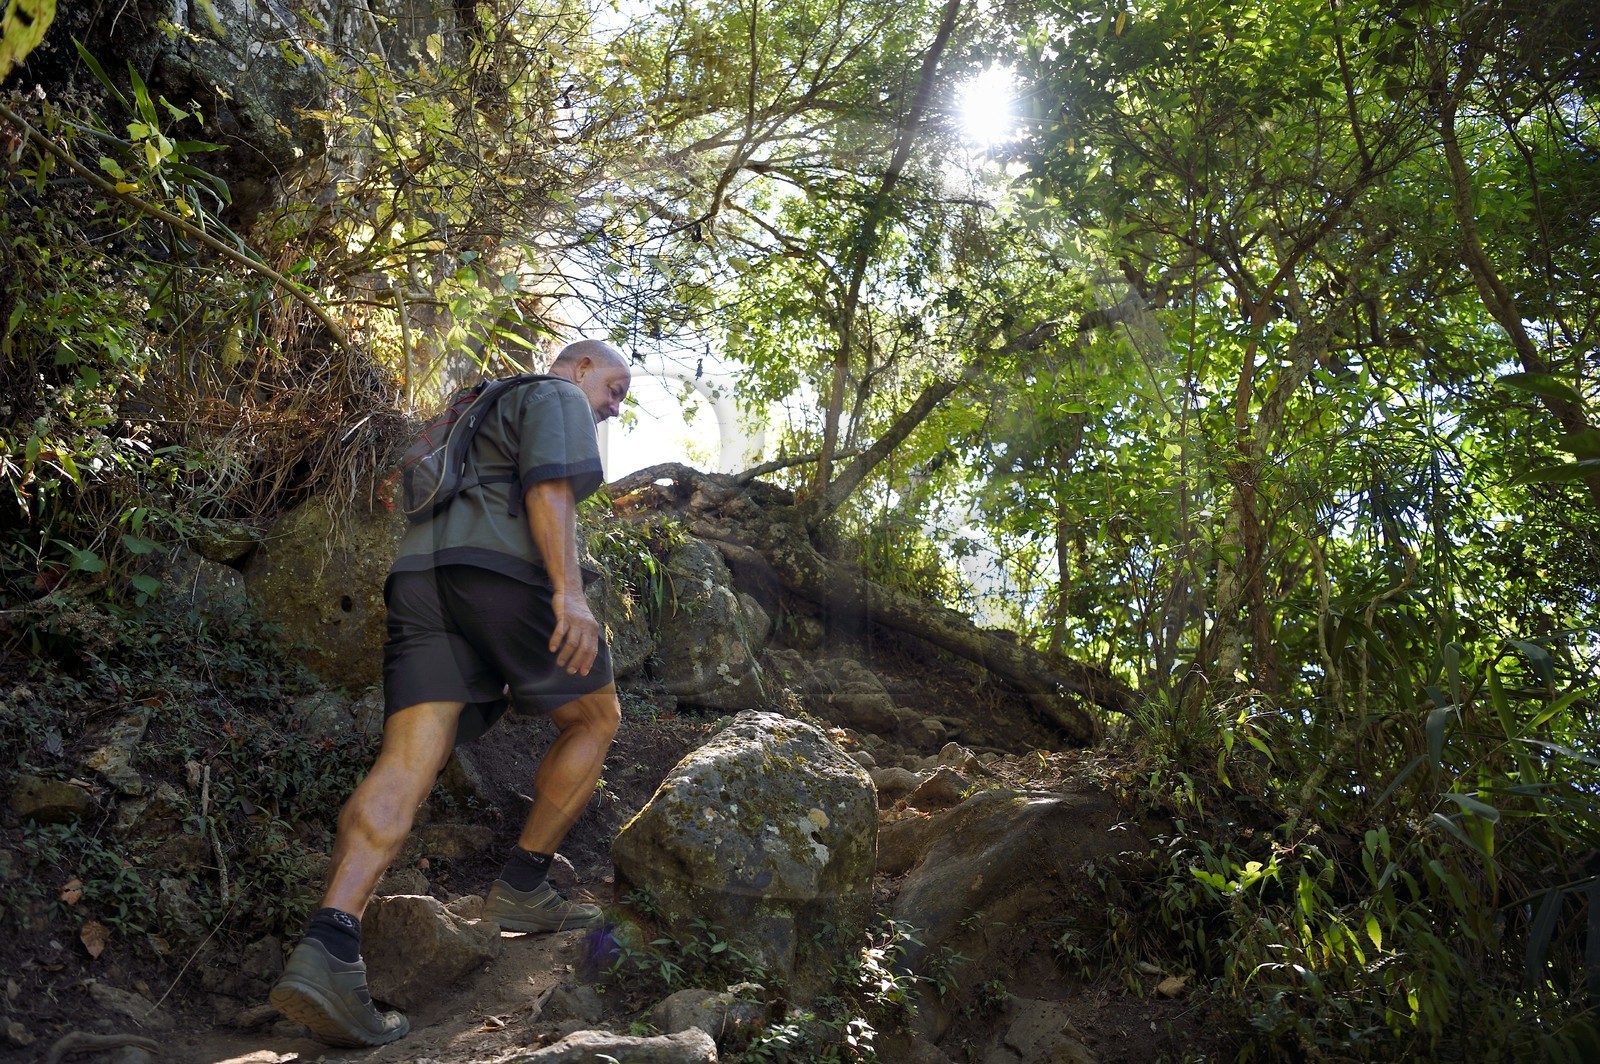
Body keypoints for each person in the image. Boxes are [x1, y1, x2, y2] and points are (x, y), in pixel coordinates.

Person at [269, 339, 632, 1047]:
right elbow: (547, 490)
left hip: (420, 577)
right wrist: (569, 594)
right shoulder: (555, 395)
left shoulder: (475, 408)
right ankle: (525, 884)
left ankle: (330, 946)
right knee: (595, 715)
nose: (615, 407)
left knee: (408, 760)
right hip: (497, 566)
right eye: (615, 389)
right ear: (580, 366)